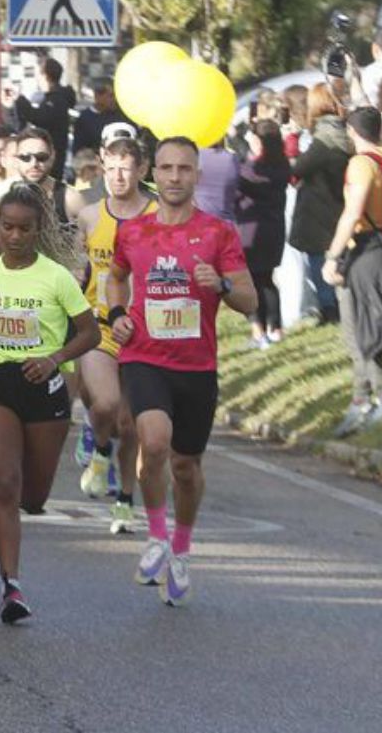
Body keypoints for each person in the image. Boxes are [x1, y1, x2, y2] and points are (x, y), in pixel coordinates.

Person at [108, 136, 256, 607]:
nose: (174, 178)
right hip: (144, 356)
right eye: (167, 168)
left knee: (186, 467)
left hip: (196, 366)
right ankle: (155, 535)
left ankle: (182, 549)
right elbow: (115, 277)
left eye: (184, 169)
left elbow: (250, 301)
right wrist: (116, 315)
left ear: (197, 175)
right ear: (154, 172)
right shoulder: (133, 231)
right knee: (152, 440)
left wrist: (223, 283)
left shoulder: (218, 234)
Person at [0, 184, 99, 622]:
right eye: (7, 227)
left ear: (38, 229)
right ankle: (11, 586)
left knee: (33, 496)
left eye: (24, 228)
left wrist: (54, 359)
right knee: (5, 484)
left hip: (44, 385)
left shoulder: (56, 276)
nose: (15, 236)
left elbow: (90, 333)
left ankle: (28, 508)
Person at [75, 136, 155, 534]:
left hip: (145, 331)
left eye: (126, 168)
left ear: (141, 171)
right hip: (100, 326)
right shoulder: (90, 216)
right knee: (104, 404)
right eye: (111, 169)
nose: (118, 177)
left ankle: (125, 499)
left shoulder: (159, 214)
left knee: (131, 424)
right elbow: (79, 269)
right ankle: (99, 451)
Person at [322, 107, 382, 434]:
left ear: (352, 132)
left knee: (358, 330)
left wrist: (332, 255)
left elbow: (352, 213)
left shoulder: (361, 164)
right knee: (364, 327)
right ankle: (363, 396)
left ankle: (379, 397)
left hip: (364, 248)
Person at [291, 84, 351, 332]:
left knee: (317, 260)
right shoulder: (346, 131)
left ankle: (329, 309)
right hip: (339, 203)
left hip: (319, 210)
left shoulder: (324, 138)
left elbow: (299, 168)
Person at [238, 121, 291, 347]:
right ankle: (276, 327)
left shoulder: (252, 171)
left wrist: (245, 148)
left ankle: (259, 330)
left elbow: (240, 176)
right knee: (267, 280)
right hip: (275, 228)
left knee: (251, 282)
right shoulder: (283, 165)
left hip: (251, 230)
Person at [11, 58, 76, 177]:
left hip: (50, 162)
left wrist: (19, 99)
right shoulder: (53, 98)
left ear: (44, 75)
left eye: (37, 74)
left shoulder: (57, 100)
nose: (36, 78)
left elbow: (39, 118)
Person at [71, 77, 130, 154]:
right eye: (111, 95)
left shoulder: (121, 115)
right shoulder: (85, 119)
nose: (114, 99)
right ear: (97, 96)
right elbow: (79, 150)